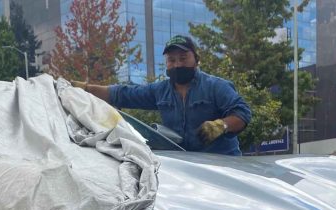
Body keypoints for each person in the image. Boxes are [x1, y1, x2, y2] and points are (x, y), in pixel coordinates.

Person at [72, 35, 251, 156]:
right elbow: (123, 94)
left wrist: (222, 125)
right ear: (166, 63)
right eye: (171, 60)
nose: (177, 64)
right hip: (190, 168)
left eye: (183, 58)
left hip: (224, 164)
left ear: (196, 60)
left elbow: (242, 113)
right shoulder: (160, 91)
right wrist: (84, 88)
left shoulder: (216, 87)